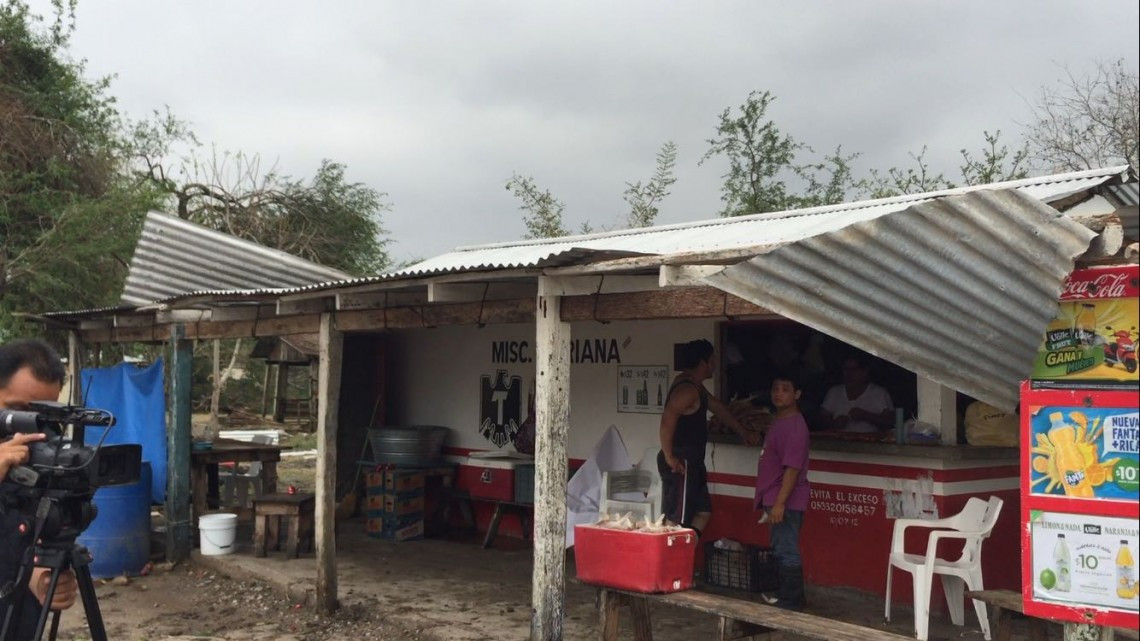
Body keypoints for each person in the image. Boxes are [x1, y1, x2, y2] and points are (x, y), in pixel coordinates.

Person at [0, 339, 79, 640]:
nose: (31, 430)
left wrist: (38, 578)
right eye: (17, 411)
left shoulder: (41, 459)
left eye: (45, 416)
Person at [657, 339, 757, 539]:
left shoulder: (696, 387)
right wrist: (670, 457)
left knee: (703, 512)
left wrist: (743, 431)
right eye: (712, 361)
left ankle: (684, 554)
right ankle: (669, 566)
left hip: (693, 462)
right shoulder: (686, 390)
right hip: (681, 462)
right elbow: (666, 422)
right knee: (676, 521)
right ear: (704, 363)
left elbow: (718, 408)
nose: (714, 365)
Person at [754, 371, 810, 611]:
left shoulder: (796, 427)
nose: (778, 393)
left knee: (786, 548)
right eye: (776, 388)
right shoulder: (780, 421)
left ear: (797, 394)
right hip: (775, 495)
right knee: (780, 545)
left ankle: (792, 601)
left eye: (785, 389)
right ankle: (786, 595)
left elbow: (792, 468)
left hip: (785, 498)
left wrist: (779, 503)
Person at [817, 354, 894, 433]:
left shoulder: (879, 393)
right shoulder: (834, 392)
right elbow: (821, 418)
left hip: (870, 443)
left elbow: (890, 422)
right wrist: (833, 423)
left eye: (854, 370)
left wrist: (866, 416)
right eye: (846, 369)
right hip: (838, 442)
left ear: (865, 371)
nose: (849, 374)